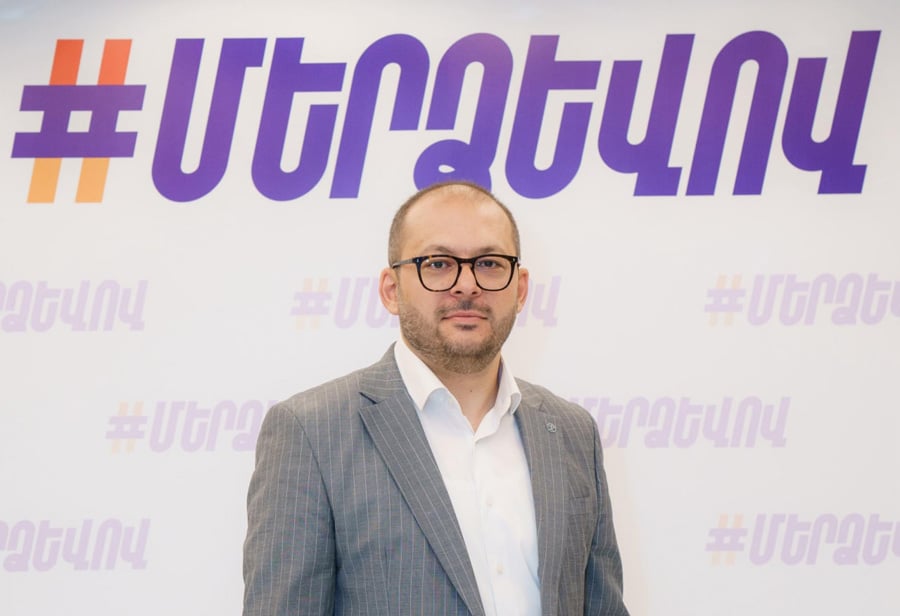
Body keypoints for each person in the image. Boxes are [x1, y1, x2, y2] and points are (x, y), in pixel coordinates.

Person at [243, 181, 629, 615]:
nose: (466, 285)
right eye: (438, 264)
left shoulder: (573, 432)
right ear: (391, 289)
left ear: (520, 289)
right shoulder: (312, 432)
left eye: (489, 263)